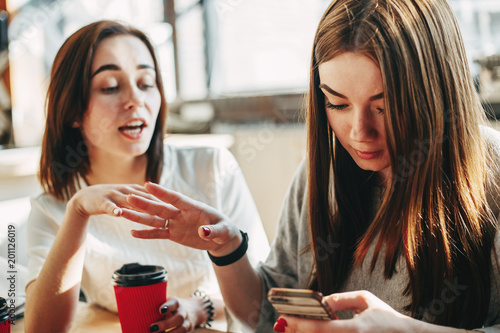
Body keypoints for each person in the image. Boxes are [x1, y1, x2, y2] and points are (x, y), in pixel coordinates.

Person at [120, 0, 500, 332]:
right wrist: (228, 249)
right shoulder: (326, 172)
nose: (358, 132)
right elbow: (267, 317)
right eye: (336, 104)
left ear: (436, 91)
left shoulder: (492, 174)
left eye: (385, 107)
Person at [24, 20, 270, 333]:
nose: (135, 100)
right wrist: (78, 212)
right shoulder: (53, 207)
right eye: (111, 86)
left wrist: (200, 308)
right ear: (71, 109)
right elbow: (41, 330)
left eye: (146, 82)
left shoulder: (212, 167)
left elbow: (264, 293)